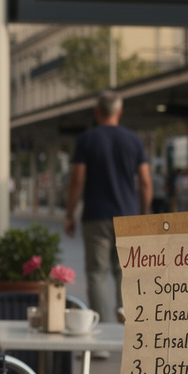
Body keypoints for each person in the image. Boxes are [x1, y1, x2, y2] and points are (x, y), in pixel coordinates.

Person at [64, 91, 152, 323]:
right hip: (129, 216)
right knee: (126, 271)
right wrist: (144, 215)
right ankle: (127, 323)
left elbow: (77, 179)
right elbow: (145, 181)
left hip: (96, 216)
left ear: (97, 112)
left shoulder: (86, 139)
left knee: (96, 273)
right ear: (120, 112)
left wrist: (69, 213)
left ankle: (101, 329)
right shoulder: (134, 140)